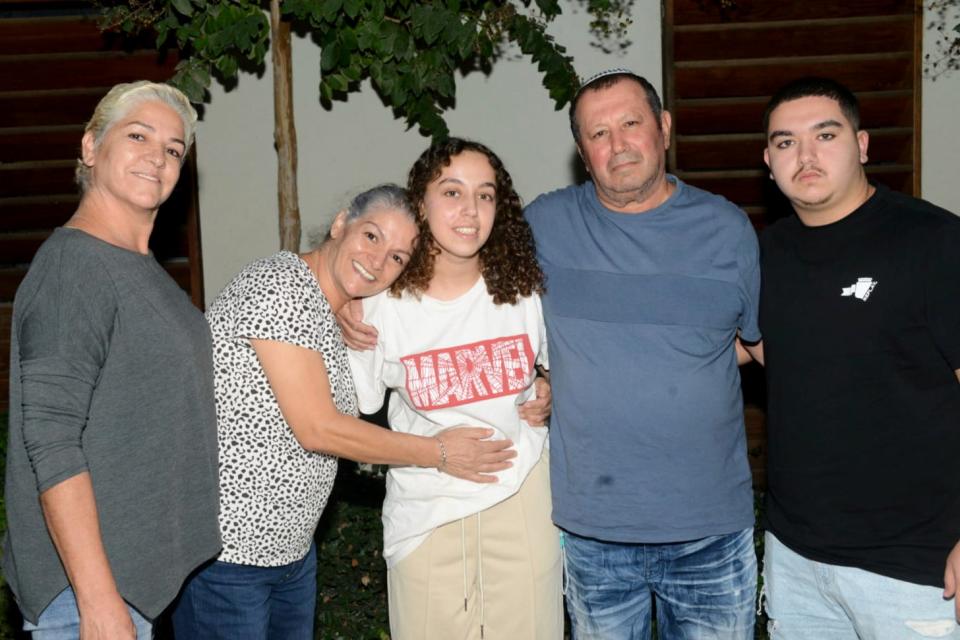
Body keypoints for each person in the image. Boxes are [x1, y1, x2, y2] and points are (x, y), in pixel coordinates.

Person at [171, 184, 522, 640]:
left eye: (397, 257)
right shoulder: (280, 286)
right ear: (340, 224)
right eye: (371, 236)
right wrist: (436, 451)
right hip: (229, 555)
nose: (378, 261)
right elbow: (318, 429)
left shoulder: (328, 309)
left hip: (290, 553)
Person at [523, 69, 762, 638]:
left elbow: (750, 345)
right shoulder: (544, 225)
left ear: (664, 127)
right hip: (594, 532)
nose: (618, 143)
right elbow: (465, 290)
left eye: (631, 123)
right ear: (583, 152)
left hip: (710, 530)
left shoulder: (727, 229)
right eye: (598, 133)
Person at [2, 81, 220, 639]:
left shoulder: (137, 267)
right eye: (138, 135)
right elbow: (51, 443)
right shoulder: (76, 268)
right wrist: (98, 602)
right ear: (90, 148)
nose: (158, 156)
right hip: (86, 600)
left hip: (128, 589)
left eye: (173, 149)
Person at [755, 77, 960, 638]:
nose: (806, 156)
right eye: (786, 142)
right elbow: (736, 347)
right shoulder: (767, 253)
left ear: (863, 144)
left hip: (914, 568)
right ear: (769, 160)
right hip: (796, 559)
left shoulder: (934, 242)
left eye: (826, 134)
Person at [339, 138, 560, 639]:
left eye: (485, 195)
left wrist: (549, 388)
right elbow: (352, 409)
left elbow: (564, 371)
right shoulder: (380, 303)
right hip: (426, 511)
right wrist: (337, 308)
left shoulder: (523, 290)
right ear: (421, 202)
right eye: (452, 192)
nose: (470, 210)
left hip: (519, 494)